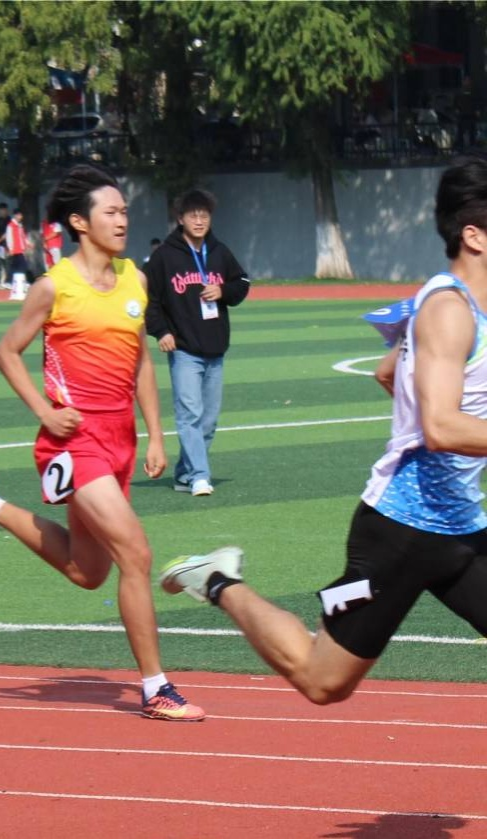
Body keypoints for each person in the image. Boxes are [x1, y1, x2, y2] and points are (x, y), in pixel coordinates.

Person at [159, 156, 487, 706]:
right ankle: (216, 580)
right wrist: (424, 426)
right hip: (400, 532)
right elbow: (439, 426)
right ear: (474, 235)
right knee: (321, 681)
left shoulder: (460, 305)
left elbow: (388, 372)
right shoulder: (448, 309)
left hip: (458, 526)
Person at [0, 164, 204, 721]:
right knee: (136, 554)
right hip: (72, 439)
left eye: (125, 211)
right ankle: (156, 688)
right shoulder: (53, 286)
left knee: (88, 572)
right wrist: (45, 412)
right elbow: (7, 352)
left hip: (119, 438)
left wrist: (156, 435)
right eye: (111, 211)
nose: (122, 220)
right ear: (81, 223)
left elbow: (141, 362)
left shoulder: (135, 279)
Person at [145, 188, 249, 497]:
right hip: (184, 350)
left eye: (204, 215)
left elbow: (242, 283)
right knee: (189, 415)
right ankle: (201, 476)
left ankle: (184, 473)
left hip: (215, 348)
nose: (200, 221)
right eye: (193, 215)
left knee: (208, 421)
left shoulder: (219, 251)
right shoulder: (165, 256)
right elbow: (148, 297)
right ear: (181, 219)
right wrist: (161, 331)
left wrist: (223, 291)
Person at [5, 207, 29, 280]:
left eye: (21, 215)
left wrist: (28, 243)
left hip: (20, 249)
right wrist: (10, 248)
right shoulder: (10, 225)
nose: (21, 217)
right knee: (21, 265)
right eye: (19, 215)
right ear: (15, 215)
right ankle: (11, 281)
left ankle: (15, 281)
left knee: (16, 266)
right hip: (15, 249)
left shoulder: (20, 225)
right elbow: (9, 237)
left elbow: (23, 236)